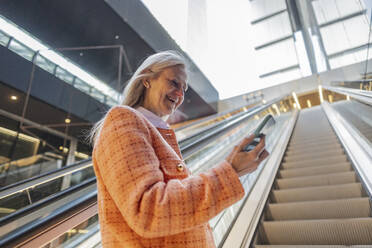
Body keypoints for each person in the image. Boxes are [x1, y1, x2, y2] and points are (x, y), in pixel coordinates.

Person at [90, 50, 269, 248]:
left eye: (184, 89)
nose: (180, 95)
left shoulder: (158, 132)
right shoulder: (123, 119)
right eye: (174, 83)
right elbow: (148, 211)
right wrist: (231, 171)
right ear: (147, 79)